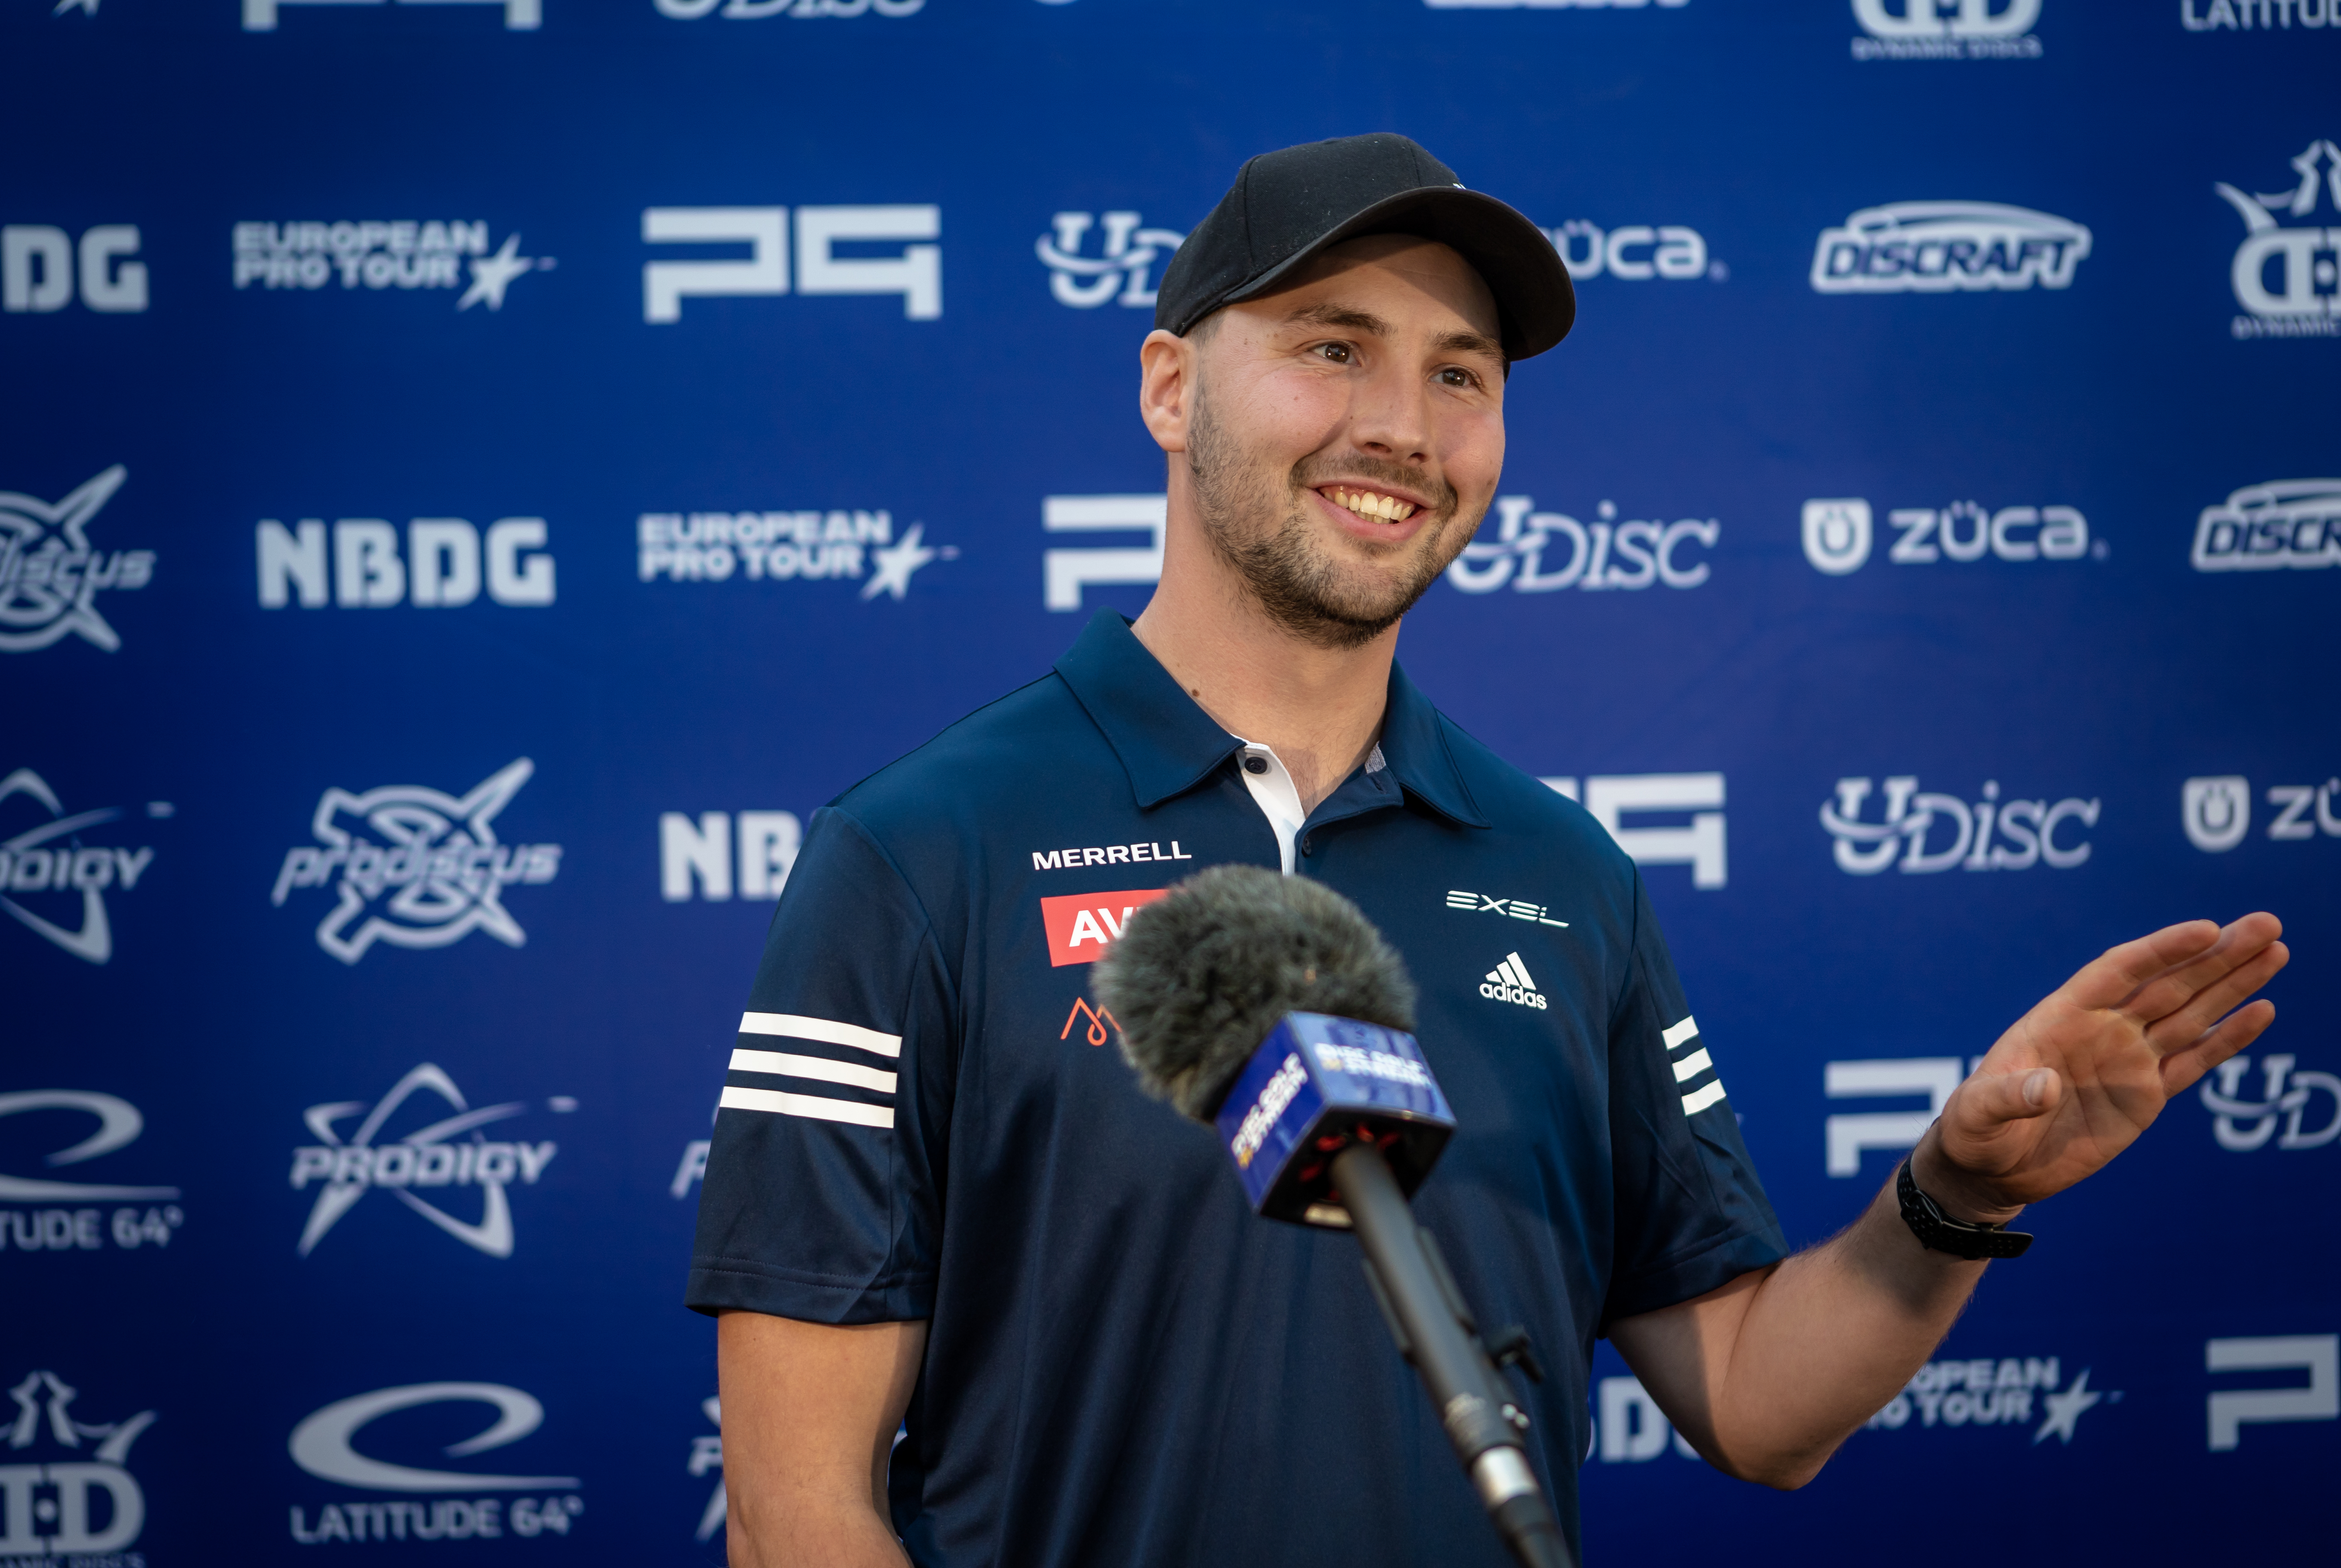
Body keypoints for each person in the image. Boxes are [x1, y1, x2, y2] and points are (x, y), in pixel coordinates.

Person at [685, 134, 2287, 1568]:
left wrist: (1948, 1196)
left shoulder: (1566, 874)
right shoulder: (921, 851)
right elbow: (796, 1512)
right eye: (1333, 348)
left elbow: (1753, 1402)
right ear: (1171, 388)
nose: (1402, 426)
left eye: (1462, 375)